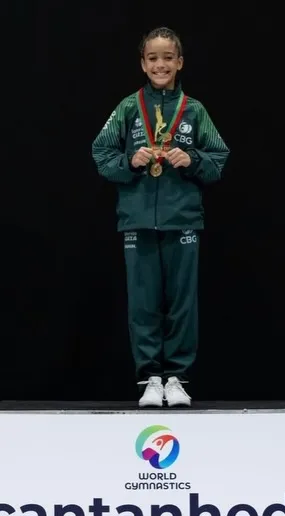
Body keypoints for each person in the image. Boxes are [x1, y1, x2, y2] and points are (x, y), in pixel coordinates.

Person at [92, 27, 229, 408]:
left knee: (182, 303)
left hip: (183, 218)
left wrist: (193, 160)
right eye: (153, 58)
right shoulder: (128, 108)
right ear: (142, 63)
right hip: (136, 220)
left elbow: (218, 159)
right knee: (143, 302)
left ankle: (178, 378)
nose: (160, 64)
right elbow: (101, 153)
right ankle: (149, 378)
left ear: (180, 62)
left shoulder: (195, 110)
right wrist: (128, 161)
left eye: (168, 57)